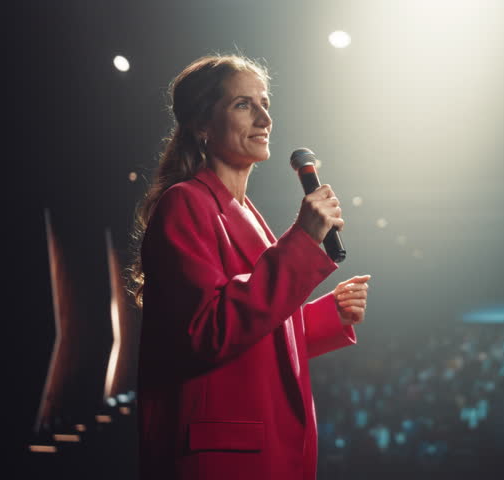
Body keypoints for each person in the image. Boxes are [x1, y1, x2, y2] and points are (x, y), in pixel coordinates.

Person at [128, 54, 371, 480]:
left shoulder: (247, 213)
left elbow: (255, 329)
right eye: (244, 105)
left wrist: (325, 314)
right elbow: (207, 332)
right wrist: (301, 243)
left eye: (265, 103)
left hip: (261, 449)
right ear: (203, 124)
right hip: (221, 458)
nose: (264, 118)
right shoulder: (185, 203)